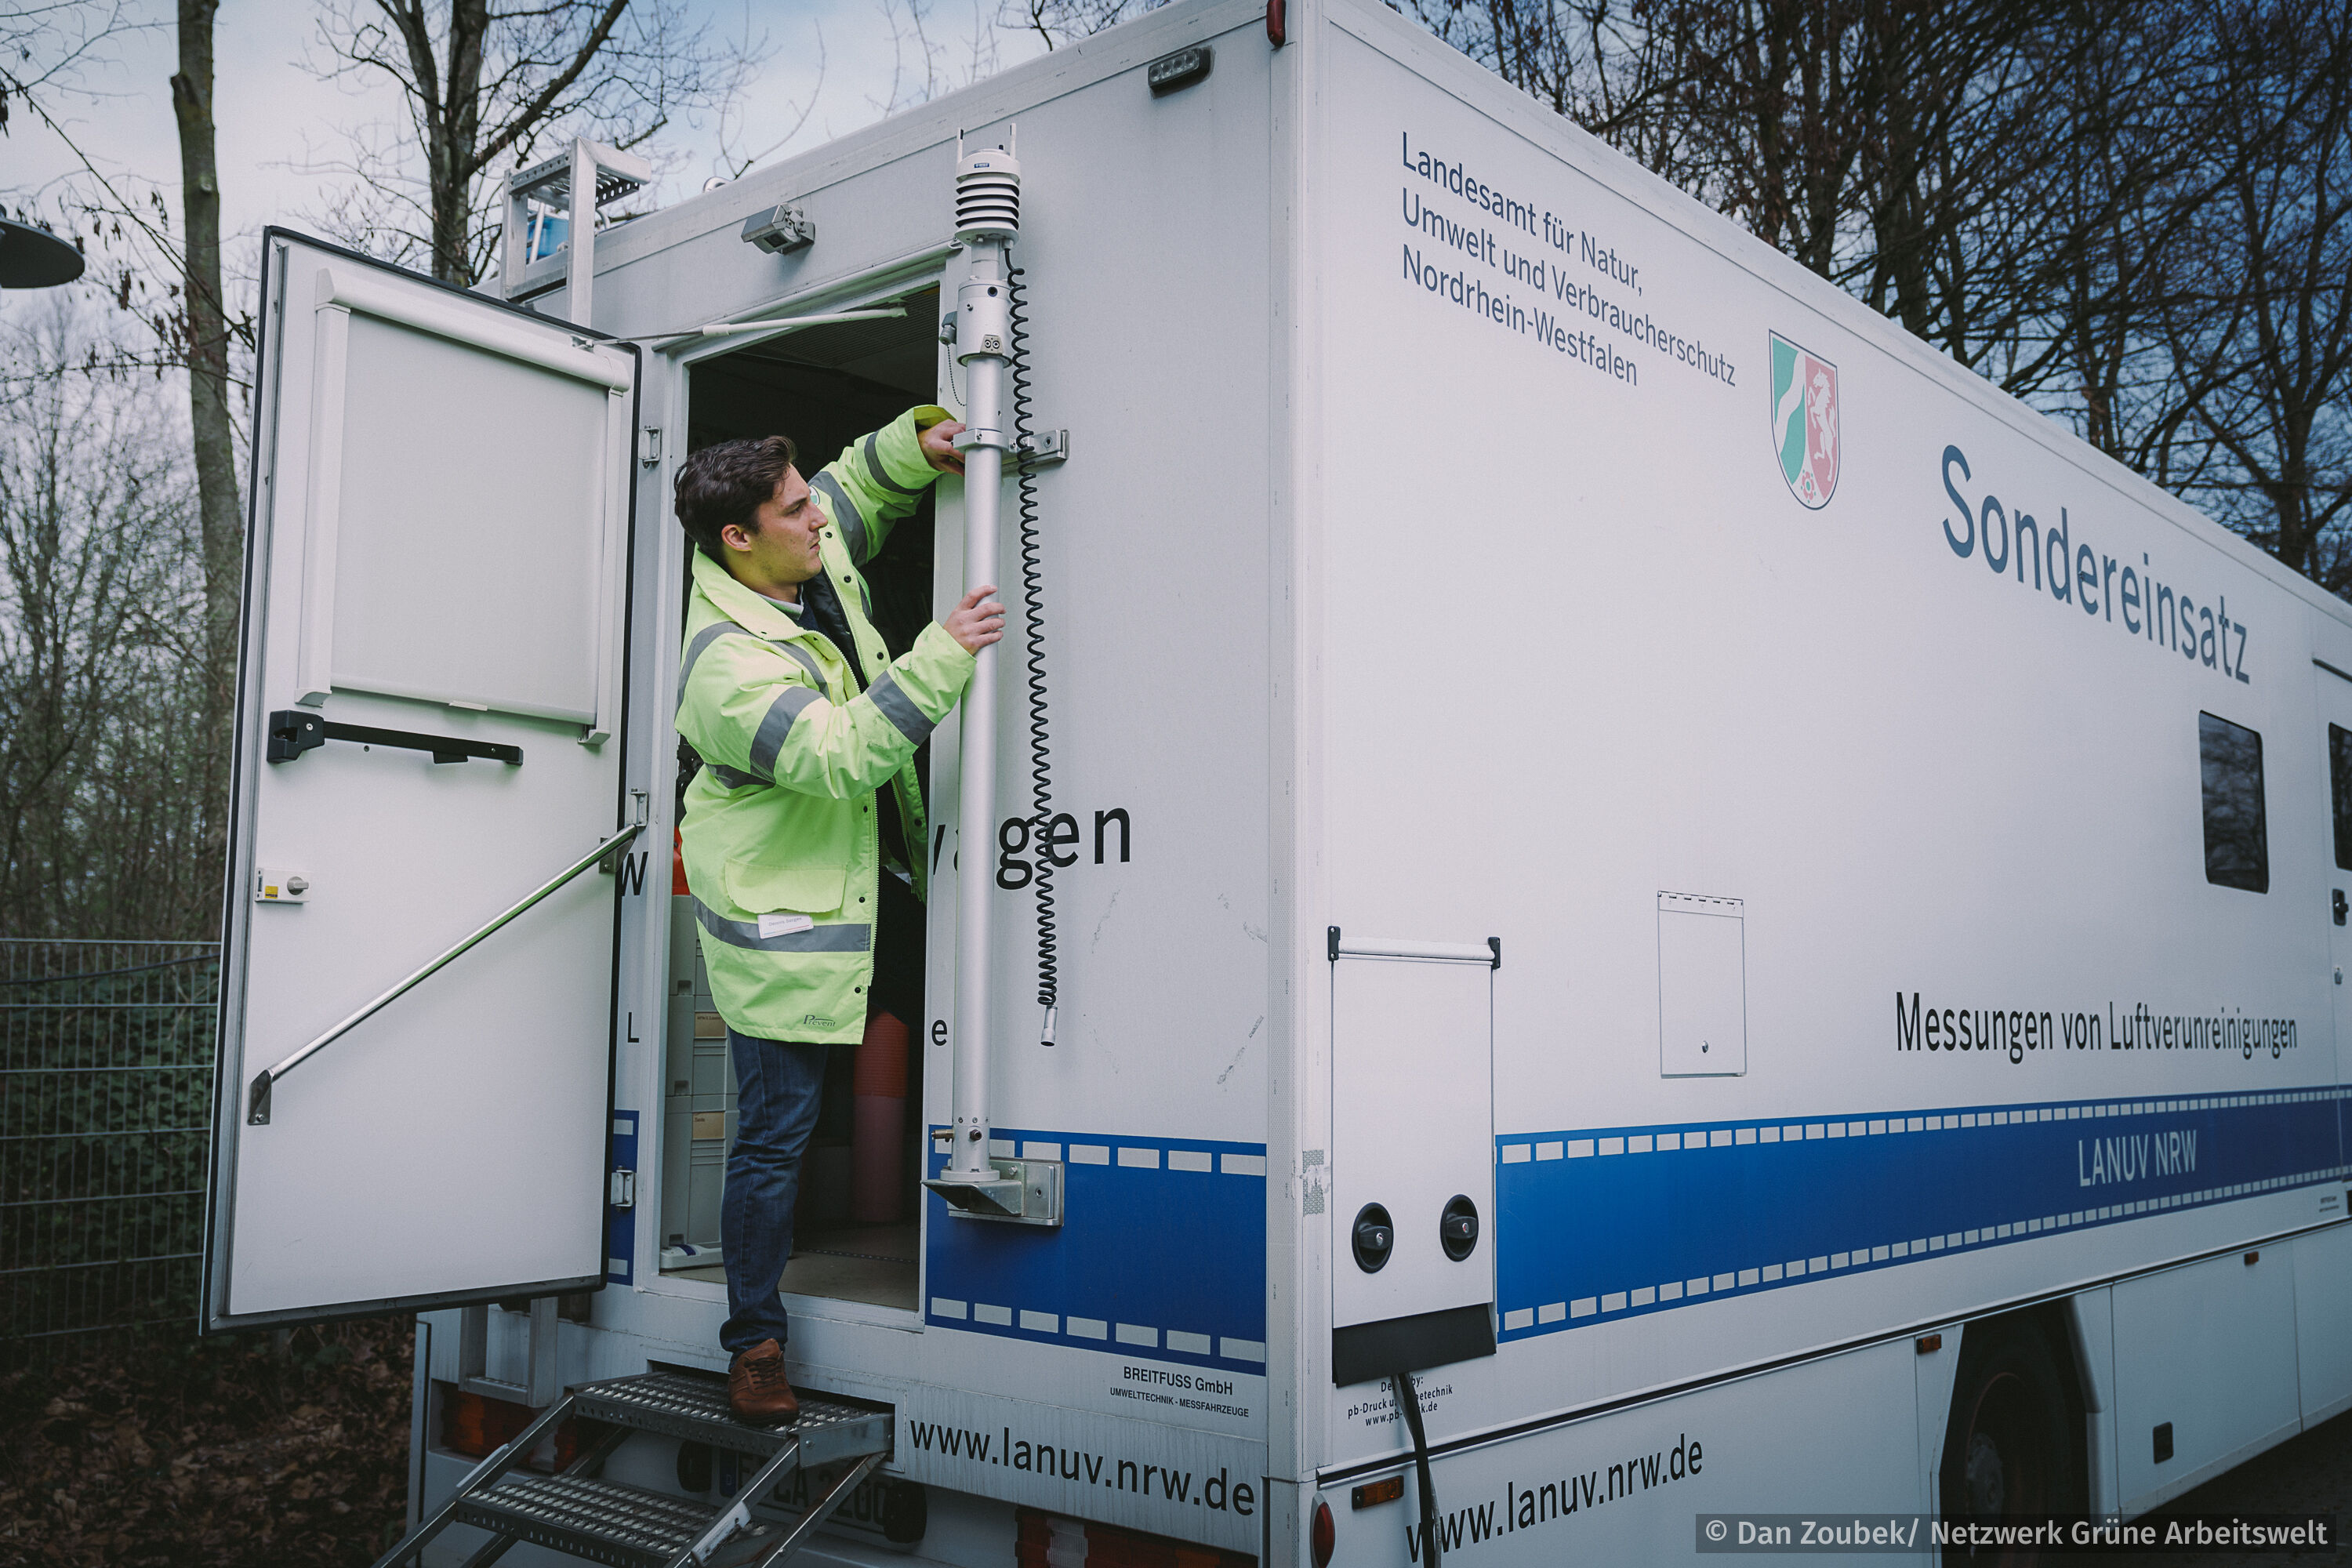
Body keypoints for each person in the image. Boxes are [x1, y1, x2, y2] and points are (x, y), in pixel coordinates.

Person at [672, 405, 1003, 1423]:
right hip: (785, 929)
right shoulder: (724, 666)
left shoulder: (800, 557)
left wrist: (919, 444)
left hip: (869, 888)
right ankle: (755, 1344)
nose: (817, 516)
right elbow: (839, 755)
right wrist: (944, 652)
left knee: (965, 1023)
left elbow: (853, 489)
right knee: (777, 1134)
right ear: (740, 537)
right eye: (793, 508)